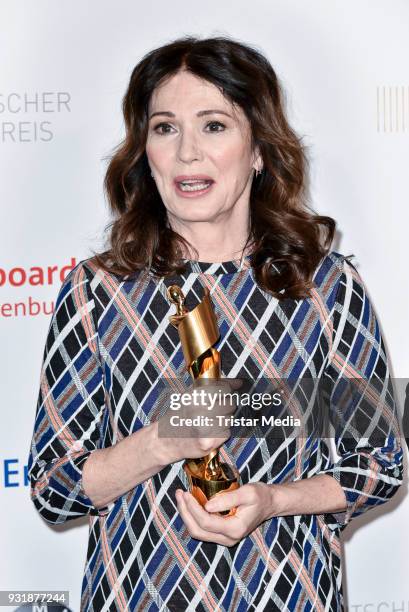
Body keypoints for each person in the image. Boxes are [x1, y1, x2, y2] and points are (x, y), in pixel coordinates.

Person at [27, 36, 404, 611]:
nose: (186, 155)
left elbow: (379, 463)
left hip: (290, 594)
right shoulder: (97, 291)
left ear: (258, 149)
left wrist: (275, 501)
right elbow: (55, 488)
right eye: (164, 128)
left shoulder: (324, 285)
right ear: (143, 152)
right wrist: (161, 441)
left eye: (214, 126)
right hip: (140, 596)